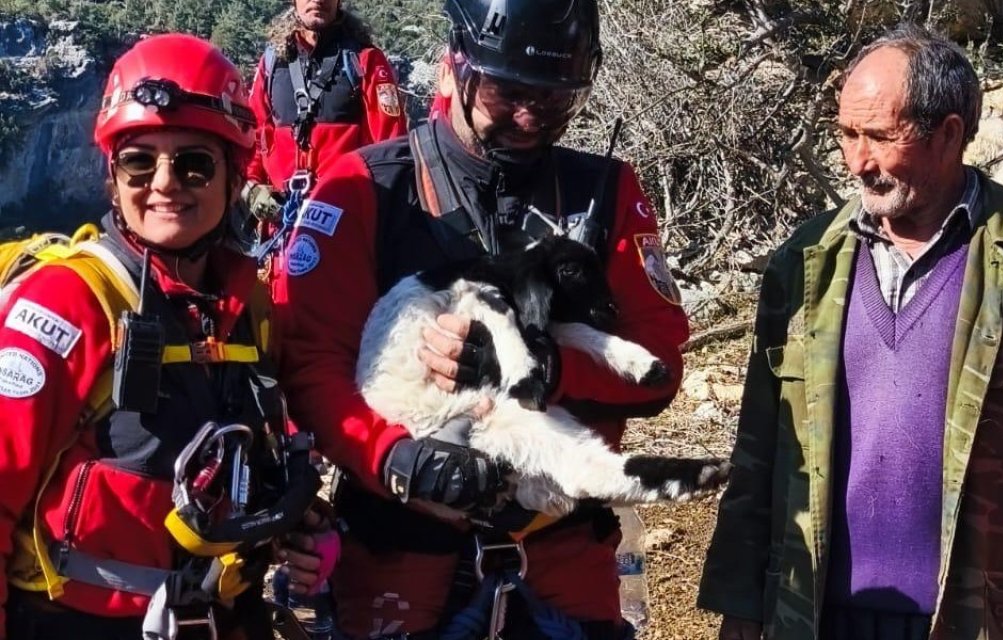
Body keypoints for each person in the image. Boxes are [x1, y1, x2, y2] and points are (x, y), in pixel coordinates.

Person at [273, 0, 689, 637]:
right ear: (453, 66)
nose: (528, 117)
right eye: (507, 92)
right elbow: (308, 362)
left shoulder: (607, 194)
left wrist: (548, 370)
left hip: (563, 554)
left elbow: (659, 368)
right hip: (402, 554)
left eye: (554, 102)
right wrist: (393, 456)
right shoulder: (365, 188)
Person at [698, 24, 1003, 640]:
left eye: (880, 137)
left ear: (949, 134)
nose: (858, 160)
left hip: (979, 620)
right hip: (813, 616)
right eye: (845, 134)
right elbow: (758, 457)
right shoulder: (805, 264)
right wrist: (741, 611)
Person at [0, 34, 320, 640]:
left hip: (221, 616)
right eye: (139, 162)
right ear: (113, 180)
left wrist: (293, 529)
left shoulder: (248, 308)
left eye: (195, 163)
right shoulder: (69, 302)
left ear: (233, 178)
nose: (166, 183)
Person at [241, 0, 407, 244]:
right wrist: (252, 189)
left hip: (345, 228)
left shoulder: (365, 61)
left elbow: (391, 147)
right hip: (281, 226)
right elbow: (254, 136)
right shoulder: (272, 62)